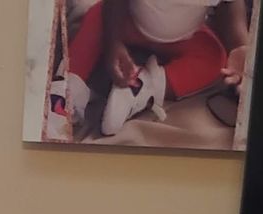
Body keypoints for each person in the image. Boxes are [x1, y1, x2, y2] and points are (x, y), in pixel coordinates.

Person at [52, 0, 251, 138]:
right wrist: (113, 42)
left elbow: (230, 4)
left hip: (185, 37)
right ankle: (67, 90)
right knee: (96, 17)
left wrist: (239, 45)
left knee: (214, 57)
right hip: (128, 23)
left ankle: (143, 86)